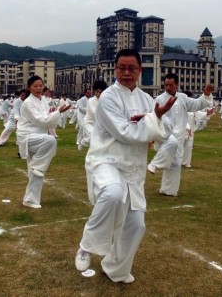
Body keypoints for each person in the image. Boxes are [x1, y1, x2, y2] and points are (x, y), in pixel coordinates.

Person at [75, 49, 175, 283]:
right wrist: (151, 122)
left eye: (132, 68)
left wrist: (156, 119)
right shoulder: (108, 98)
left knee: (136, 225)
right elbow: (125, 133)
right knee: (112, 194)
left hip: (133, 168)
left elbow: (165, 131)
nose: (127, 73)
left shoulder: (146, 99)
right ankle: (86, 245)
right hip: (107, 160)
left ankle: (115, 268)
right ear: (115, 69)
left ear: (140, 70)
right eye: (122, 68)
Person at [147, 73, 213, 196]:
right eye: (165, 85)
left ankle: (168, 190)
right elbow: (153, 117)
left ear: (177, 85)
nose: (167, 87)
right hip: (165, 134)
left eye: (170, 85)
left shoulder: (183, 97)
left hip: (180, 135)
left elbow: (197, 104)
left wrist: (206, 95)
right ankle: (154, 164)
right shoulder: (159, 99)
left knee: (176, 163)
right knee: (171, 143)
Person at [17, 76, 70, 208]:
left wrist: (52, 113)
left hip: (39, 137)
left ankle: (31, 200)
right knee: (51, 141)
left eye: (41, 85)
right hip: (27, 137)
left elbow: (46, 119)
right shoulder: (28, 103)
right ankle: (37, 166)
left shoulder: (44, 101)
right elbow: (41, 120)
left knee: (36, 173)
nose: (39, 88)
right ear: (29, 88)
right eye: (35, 86)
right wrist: (57, 112)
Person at [79, 80, 108, 150]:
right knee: (94, 136)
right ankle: (83, 142)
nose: (98, 94)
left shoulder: (105, 101)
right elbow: (94, 112)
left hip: (98, 124)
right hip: (89, 123)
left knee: (100, 139)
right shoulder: (91, 100)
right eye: (97, 92)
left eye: (100, 92)